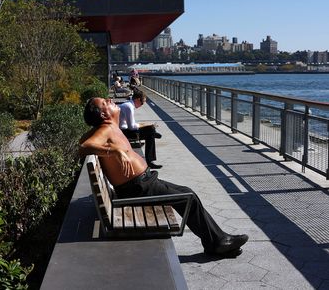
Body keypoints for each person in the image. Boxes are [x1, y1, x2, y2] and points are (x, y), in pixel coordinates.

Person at [79, 97, 249, 257]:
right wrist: (114, 151)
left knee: (187, 194)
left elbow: (83, 137)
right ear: (104, 114)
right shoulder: (106, 129)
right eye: (105, 102)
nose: (110, 100)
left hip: (143, 184)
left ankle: (217, 241)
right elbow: (83, 146)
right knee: (187, 197)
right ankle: (217, 243)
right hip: (138, 189)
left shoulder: (108, 127)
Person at [119, 89, 162, 169]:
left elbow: (131, 124)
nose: (142, 105)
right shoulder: (129, 107)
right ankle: (149, 161)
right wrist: (141, 125)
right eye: (142, 103)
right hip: (124, 133)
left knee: (150, 129)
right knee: (150, 130)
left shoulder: (127, 105)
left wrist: (142, 125)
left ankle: (152, 132)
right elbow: (131, 127)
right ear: (138, 99)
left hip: (122, 131)